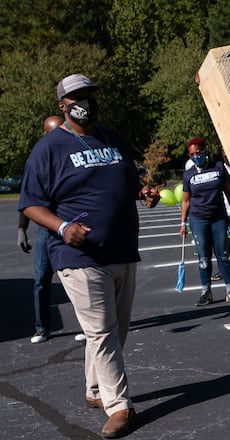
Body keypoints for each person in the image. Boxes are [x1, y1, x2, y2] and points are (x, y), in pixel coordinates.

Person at [18, 73, 160, 437]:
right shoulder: (49, 148)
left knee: (115, 330)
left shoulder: (113, 139)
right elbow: (31, 204)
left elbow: (126, 184)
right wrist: (64, 227)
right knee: (101, 332)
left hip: (122, 250)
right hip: (78, 255)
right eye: (77, 97)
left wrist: (142, 192)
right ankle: (119, 406)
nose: (85, 102)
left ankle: (96, 389)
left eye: (89, 95)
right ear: (62, 106)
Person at [18, 116, 87, 344]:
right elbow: (28, 198)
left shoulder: (72, 157)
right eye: (53, 132)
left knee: (77, 279)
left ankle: (87, 326)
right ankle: (42, 327)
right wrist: (22, 229)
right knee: (41, 280)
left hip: (71, 226)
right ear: (45, 134)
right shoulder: (38, 159)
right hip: (47, 230)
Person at [179, 137, 230, 306]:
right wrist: (183, 223)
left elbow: (228, 191)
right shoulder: (189, 175)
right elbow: (186, 200)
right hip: (198, 220)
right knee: (203, 258)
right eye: (192, 154)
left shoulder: (218, 167)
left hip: (219, 218)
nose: (196, 156)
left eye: (198, 153)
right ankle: (206, 292)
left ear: (205, 151)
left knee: (223, 256)